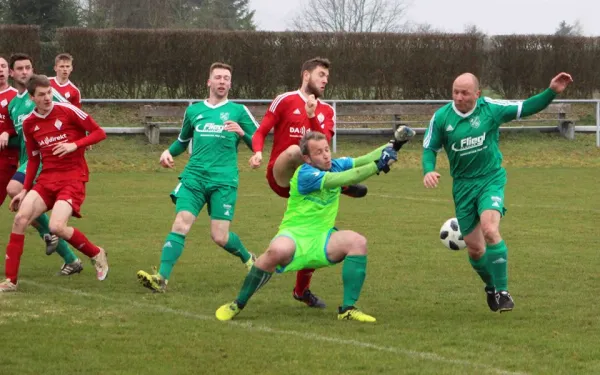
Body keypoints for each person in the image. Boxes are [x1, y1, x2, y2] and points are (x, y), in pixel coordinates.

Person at [216, 127, 414, 322]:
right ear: (308, 158)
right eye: (319, 152)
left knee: (357, 242)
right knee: (276, 250)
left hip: (322, 237)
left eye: (327, 149)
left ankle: (347, 310)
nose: (326, 155)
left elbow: (363, 159)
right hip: (294, 235)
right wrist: (378, 166)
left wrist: (396, 143)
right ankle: (238, 303)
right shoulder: (305, 174)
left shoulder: (336, 164)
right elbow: (346, 178)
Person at [422, 72, 573, 312]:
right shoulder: (442, 117)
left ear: (477, 94)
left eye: (464, 93)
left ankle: (503, 292)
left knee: (490, 229)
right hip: (462, 186)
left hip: (490, 178)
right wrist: (428, 170)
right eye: (455, 92)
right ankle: (491, 287)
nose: (458, 97)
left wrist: (552, 91)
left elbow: (526, 107)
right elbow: (429, 148)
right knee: (475, 248)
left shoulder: (490, 108)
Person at [249, 57, 366, 309]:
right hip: (281, 176)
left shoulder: (327, 111)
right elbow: (260, 132)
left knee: (315, 234)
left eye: (327, 77)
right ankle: (342, 185)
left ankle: (301, 291)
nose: (325, 80)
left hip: (309, 181)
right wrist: (257, 151)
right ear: (306, 75)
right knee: (294, 150)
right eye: (321, 75)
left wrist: (312, 115)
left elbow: (321, 147)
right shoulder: (285, 100)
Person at [136, 62, 259, 292]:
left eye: (226, 78)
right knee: (181, 222)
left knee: (219, 236)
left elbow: (258, 141)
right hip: (194, 178)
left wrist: (244, 136)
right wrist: (167, 152)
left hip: (224, 180)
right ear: (209, 82)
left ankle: (248, 258)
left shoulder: (238, 111)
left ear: (230, 84)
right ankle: (161, 279)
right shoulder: (194, 111)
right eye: (218, 77)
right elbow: (182, 142)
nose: (222, 81)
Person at [1, 74, 109, 292]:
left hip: (72, 178)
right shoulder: (30, 123)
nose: (48, 97)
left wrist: (75, 145)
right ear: (32, 98)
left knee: (56, 227)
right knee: (20, 219)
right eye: (41, 95)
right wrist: (25, 190)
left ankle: (96, 253)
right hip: (46, 179)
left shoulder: (67, 111)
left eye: (49, 92)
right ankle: (11, 281)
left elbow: (99, 133)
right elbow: (33, 159)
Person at [6, 53, 82, 276]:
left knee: (14, 190)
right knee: (23, 207)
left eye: (28, 67)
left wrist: (75, 144)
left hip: (50, 160)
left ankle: (51, 235)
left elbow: (74, 116)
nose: (24, 72)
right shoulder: (14, 105)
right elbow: (20, 137)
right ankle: (68, 257)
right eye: (19, 69)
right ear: (12, 73)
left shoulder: (49, 95)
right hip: (28, 161)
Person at [0, 56, 19, 206]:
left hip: (7, 156)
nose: (0, 69)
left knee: (19, 196)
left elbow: (23, 123)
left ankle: (46, 228)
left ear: (9, 71)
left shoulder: (16, 96)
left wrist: (7, 131)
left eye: (3, 66)